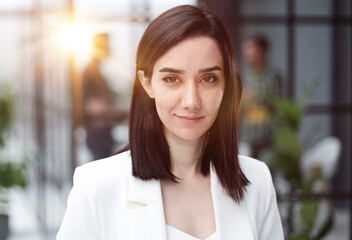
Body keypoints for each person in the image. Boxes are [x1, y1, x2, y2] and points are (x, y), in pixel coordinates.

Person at [58, 5, 284, 240]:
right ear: (147, 83)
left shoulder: (257, 181)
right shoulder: (96, 186)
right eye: (172, 79)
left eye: (208, 79)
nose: (191, 101)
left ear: (226, 85)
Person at [82, 33, 128, 160]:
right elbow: (95, 109)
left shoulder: (96, 72)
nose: (109, 49)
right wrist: (125, 111)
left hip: (102, 134)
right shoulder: (91, 73)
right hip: (98, 135)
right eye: (106, 45)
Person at [241, 34, 283, 158]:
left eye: (252, 49)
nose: (248, 54)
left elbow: (276, 102)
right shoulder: (247, 75)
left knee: (267, 170)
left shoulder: (273, 76)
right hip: (249, 133)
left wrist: (252, 96)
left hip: (268, 135)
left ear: (263, 52)